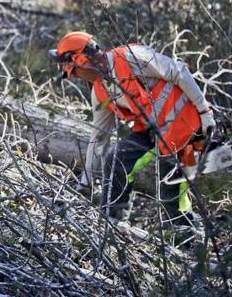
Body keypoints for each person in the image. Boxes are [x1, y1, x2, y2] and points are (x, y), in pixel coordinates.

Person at [50, 31, 216, 225]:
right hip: (153, 130)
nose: (76, 77)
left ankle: (186, 237)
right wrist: (86, 181)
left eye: (74, 71)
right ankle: (112, 223)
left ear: (82, 59)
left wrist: (205, 113)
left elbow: (178, 71)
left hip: (185, 124)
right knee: (116, 160)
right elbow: (99, 138)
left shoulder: (131, 57)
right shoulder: (100, 90)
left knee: (168, 185)